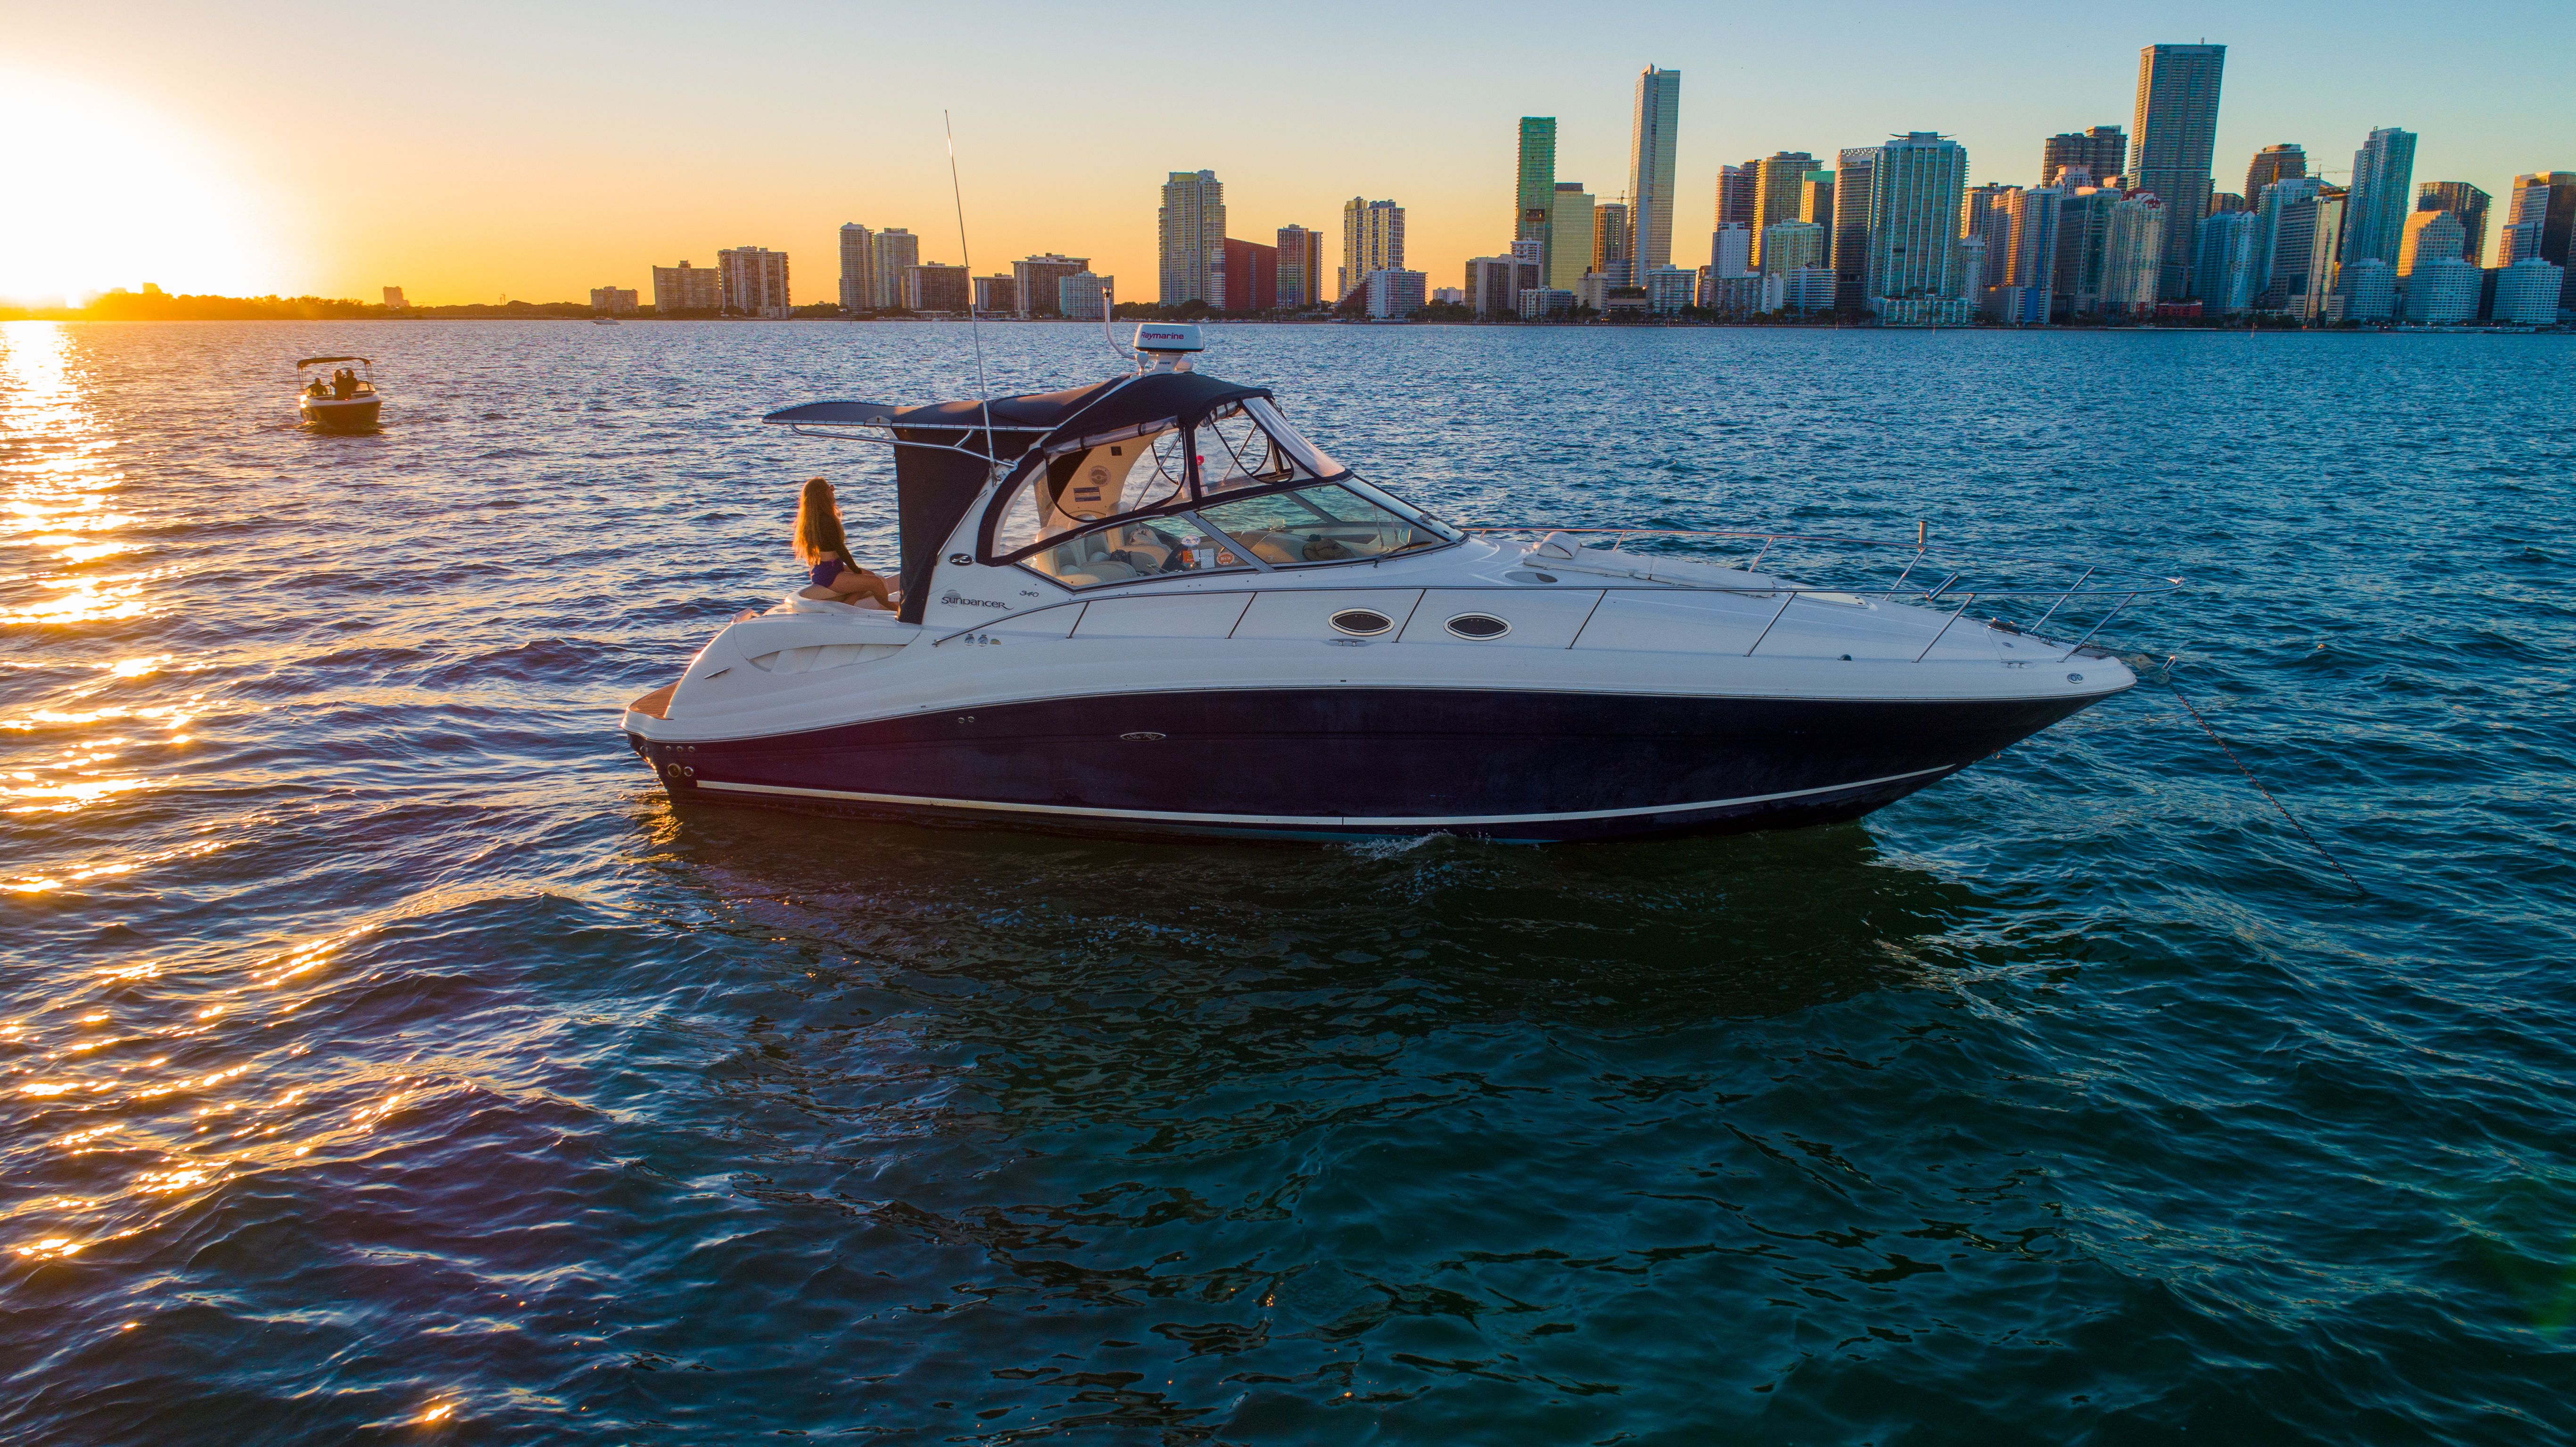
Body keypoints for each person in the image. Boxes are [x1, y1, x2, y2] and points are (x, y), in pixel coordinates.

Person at [791, 477, 899, 608]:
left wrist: (858, 573)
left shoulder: (815, 520)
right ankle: (897, 611)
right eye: (830, 489)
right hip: (830, 575)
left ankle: (848, 605)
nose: (832, 492)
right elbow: (841, 550)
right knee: (875, 582)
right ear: (823, 494)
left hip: (827, 569)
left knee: (870, 576)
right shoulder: (826, 521)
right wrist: (856, 570)